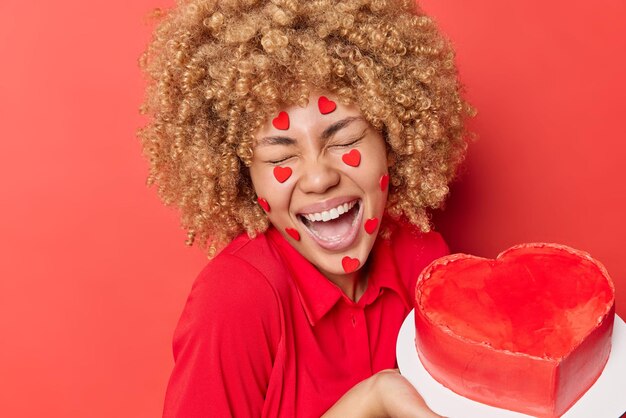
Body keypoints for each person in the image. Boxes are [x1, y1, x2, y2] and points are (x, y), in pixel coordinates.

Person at [138, 0, 472, 416]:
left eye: (345, 139)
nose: (318, 178)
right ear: (247, 178)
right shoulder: (235, 300)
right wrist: (372, 400)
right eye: (280, 158)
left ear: (392, 139)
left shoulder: (425, 263)